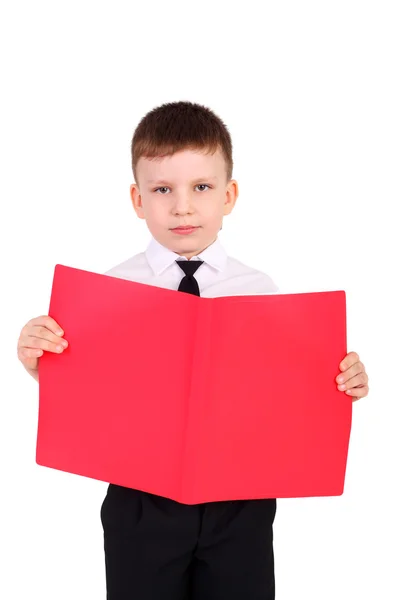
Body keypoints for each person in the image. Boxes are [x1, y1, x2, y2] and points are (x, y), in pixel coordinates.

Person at [17, 100, 370, 599]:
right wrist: (39, 363)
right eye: (163, 190)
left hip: (240, 499)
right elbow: (95, 391)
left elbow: (283, 393)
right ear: (138, 200)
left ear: (229, 195)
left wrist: (341, 383)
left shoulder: (260, 288)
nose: (182, 206)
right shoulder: (113, 289)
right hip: (140, 497)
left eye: (201, 188)